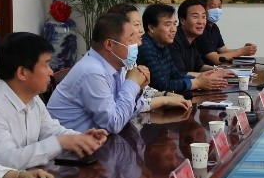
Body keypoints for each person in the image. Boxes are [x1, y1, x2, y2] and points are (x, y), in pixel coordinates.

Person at [0, 32, 109, 170]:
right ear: (22, 73)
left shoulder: (32, 98)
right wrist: (60, 142)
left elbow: (51, 131)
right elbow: (5, 161)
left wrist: (81, 138)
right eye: (46, 64)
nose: (51, 72)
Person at [51, 13, 186, 133]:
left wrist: (139, 89)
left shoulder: (118, 65)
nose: (136, 44)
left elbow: (126, 112)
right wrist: (132, 83)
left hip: (98, 142)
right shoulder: (92, 72)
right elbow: (113, 124)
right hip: (71, 149)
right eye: (130, 40)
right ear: (109, 45)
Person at [137, 3, 229, 95]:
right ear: (151, 28)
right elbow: (162, 85)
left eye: (174, 24)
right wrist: (197, 83)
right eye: (168, 24)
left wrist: (201, 78)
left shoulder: (162, 44)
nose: (173, 29)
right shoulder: (145, 47)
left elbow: (175, 74)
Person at [197, 0, 257, 65]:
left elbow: (224, 51)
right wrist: (241, 51)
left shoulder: (214, 27)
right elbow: (216, 59)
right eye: (212, 7)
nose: (217, 10)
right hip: (202, 69)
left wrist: (243, 49)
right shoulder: (200, 29)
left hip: (214, 68)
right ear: (202, 9)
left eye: (219, 6)